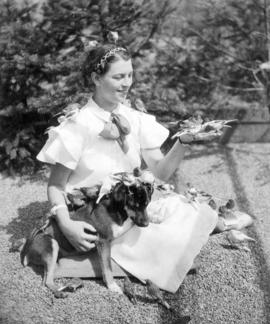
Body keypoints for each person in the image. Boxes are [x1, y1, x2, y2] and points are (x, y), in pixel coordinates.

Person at [36, 43, 249, 293]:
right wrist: (67, 225)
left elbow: (160, 172)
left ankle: (201, 226)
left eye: (130, 75)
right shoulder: (76, 126)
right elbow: (56, 186)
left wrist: (183, 142)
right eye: (118, 77)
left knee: (187, 208)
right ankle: (137, 251)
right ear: (96, 78)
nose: (127, 83)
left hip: (131, 208)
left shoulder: (134, 119)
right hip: (98, 217)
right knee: (162, 238)